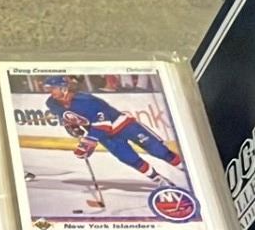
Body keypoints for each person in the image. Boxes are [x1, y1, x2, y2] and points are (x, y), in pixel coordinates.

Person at [41, 75, 183, 188]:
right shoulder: (51, 103)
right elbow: (66, 117)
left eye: (53, 88)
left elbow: (104, 124)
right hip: (106, 137)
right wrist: (73, 127)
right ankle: (158, 179)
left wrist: (88, 142)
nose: (50, 92)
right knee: (129, 158)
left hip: (125, 126)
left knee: (159, 150)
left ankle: (184, 168)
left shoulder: (86, 101)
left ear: (63, 88)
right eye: (49, 89)